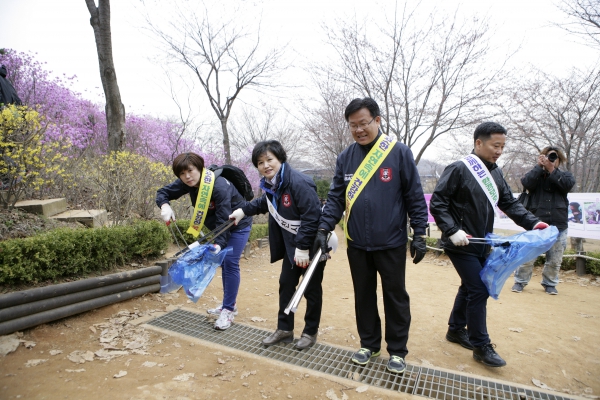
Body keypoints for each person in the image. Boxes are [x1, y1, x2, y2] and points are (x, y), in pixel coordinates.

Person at [313, 97, 429, 374]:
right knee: (363, 295)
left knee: (395, 296)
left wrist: (420, 232)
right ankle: (369, 343)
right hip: (357, 243)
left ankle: (398, 351)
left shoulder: (399, 153)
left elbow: (414, 196)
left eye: (363, 123)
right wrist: (323, 228)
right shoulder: (346, 158)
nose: (358, 130)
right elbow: (335, 199)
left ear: (377, 120)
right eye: (353, 125)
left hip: (391, 242)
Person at [429, 122, 548, 368]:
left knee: (469, 286)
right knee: (480, 289)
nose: (499, 151)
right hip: (460, 243)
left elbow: (509, 203)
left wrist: (533, 223)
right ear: (478, 143)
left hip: (482, 242)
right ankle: (481, 345)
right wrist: (452, 231)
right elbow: (438, 203)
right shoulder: (459, 168)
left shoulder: (496, 173)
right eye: (496, 145)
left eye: (503, 146)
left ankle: (455, 330)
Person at [229, 140, 327, 350]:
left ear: (280, 159)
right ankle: (285, 329)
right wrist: (244, 210)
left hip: (311, 247)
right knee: (286, 285)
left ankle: (310, 332)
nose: (265, 165)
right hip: (293, 248)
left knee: (310, 290)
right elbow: (265, 203)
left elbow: (312, 217)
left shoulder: (299, 182)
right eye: (260, 162)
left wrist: (302, 247)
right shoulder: (274, 184)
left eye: (269, 160)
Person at [156, 152, 252, 330]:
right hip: (219, 226)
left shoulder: (219, 186)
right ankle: (229, 304)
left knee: (230, 263)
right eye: (182, 174)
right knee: (224, 263)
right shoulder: (189, 182)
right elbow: (163, 192)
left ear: (200, 168)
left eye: (190, 171)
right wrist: (165, 205)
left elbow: (224, 218)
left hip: (238, 224)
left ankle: (229, 310)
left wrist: (219, 244)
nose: (187, 177)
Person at [511, 147, 575, 295]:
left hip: (558, 224)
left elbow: (567, 185)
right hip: (536, 223)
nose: (551, 159)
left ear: (560, 160)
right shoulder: (536, 174)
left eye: (554, 157)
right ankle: (520, 281)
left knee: (555, 259)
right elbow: (526, 183)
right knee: (528, 256)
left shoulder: (565, 176)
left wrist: (552, 169)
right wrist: (539, 167)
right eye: (548, 157)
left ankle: (550, 283)